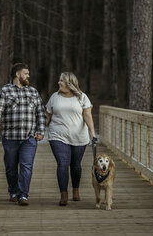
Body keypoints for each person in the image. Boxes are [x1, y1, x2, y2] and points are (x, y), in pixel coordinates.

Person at [0, 63, 46, 206]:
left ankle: (23, 195)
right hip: (10, 138)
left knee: (26, 166)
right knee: (11, 167)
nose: (28, 76)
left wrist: (41, 131)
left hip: (29, 138)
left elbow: (40, 112)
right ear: (17, 74)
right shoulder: (4, 91)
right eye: (26, 73)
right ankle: (13, 191)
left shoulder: (33, 92)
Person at [45, 72, 96, 206]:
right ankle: (63, 194)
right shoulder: (54, 97)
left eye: (61, 81)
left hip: (78, 136)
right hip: (58, 135)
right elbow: (48, 117)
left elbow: (87, 115)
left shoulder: (82, 97)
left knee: (75, 164)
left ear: (69, 83)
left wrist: (92, 131)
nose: (59, 83)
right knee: (63, 163)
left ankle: (75, 189)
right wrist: (38, 129)